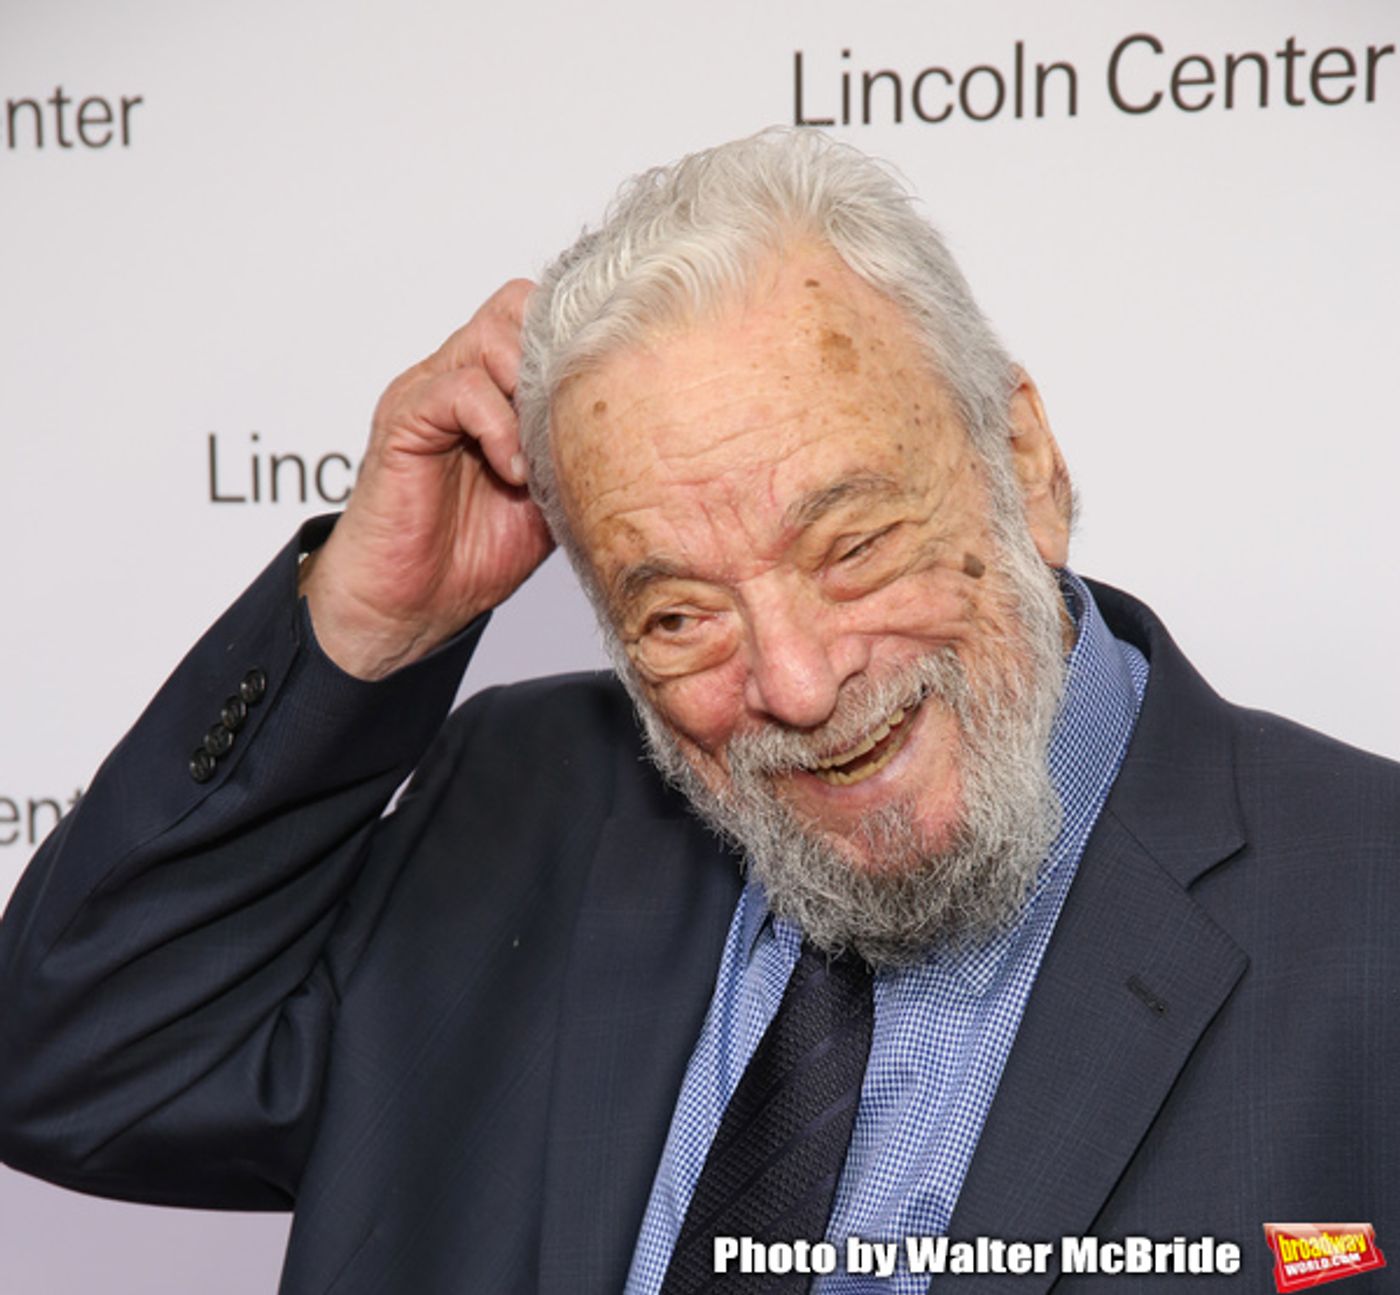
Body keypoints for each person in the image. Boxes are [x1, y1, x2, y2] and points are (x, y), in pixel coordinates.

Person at [0, 129, 1395, 1294]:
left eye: (852, 546)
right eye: (678, 616)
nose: (794, 684)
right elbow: (73, 1065)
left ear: (1020, 460)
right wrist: (370, 631)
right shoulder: (522, 805)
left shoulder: (1368, 908)